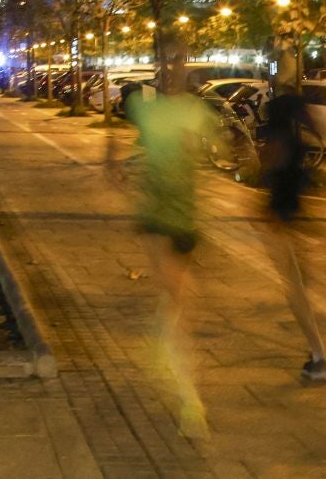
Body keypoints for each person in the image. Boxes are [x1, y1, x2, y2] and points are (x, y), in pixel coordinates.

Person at [108, 81, 213, 438]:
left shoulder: (161, 115)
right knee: (176, 300)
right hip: (165, 220)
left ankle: (160, 350)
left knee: (175, 301)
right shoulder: (188, 115)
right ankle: (190, 400)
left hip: (178, 221)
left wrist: (116, 163)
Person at [256, 88, 326, 384]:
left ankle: (319, 358)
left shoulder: (277, 143)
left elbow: (264, 171)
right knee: (299, 286)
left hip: (279, 221)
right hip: (293, 218)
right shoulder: (295, 142)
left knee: (296, 292)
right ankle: (316, 354)